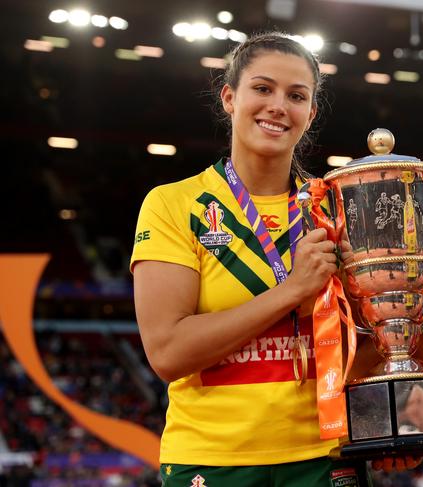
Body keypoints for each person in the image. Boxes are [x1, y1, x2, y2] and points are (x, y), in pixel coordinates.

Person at [130, 32, 373, 486]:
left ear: (310, 113)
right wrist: (292, 291)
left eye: (296, 96)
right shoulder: (174, 205)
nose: (278, 105)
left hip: (328, 457)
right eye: (262, 89)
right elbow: (167, 352)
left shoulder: (335, 209)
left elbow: (367, 347)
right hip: (213, 462)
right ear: (229, 97)